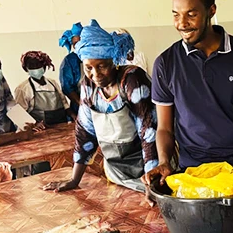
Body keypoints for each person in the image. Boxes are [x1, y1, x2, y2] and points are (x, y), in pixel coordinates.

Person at [147, 0, 233, 189]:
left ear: (211, 11)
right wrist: (164, 162)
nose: (182, 24)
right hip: (193, 171)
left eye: (191, 14)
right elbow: (165, 129)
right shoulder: (165, 64)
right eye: (176, 15)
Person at [41, 21, 158, 194]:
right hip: (116, 173)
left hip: (148, 170)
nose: (95, 75)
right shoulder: (88, 87)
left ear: (113, 61)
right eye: (88, 68)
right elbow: (85, 133)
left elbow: (148, 132)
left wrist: (152, 182)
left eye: (102, 66)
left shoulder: (132, 80)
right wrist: (74, 180)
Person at [13, 51, 71, 126]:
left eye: (38, 65)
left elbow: (65, 105)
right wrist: (35, 124)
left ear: (44, 66)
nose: (35, 68)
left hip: (61, 125)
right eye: (31, 66)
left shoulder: (53, 83)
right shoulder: (23, 89)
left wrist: (74, 117)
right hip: (41, 129)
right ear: (26, 69)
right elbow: (20, 114)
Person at [59, 22, 85, 116]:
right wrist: (82, 105)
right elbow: (67, 87)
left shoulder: (96, 57)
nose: (78, 45)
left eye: (81, 42)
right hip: (80, 107)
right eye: (75, 43)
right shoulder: (69, 61)